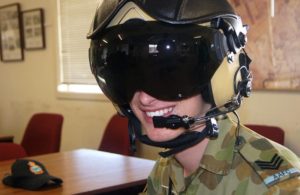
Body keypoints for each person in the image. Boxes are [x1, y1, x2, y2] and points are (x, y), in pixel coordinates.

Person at [87, 0, 300, 194]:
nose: (144, 99)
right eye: (129, 78)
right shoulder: (167, 167)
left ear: (219, 80)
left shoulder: (273, 186)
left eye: (169, 75)